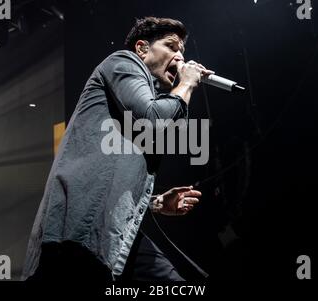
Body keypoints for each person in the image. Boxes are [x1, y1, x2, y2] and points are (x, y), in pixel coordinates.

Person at [22, 16, 214, 281]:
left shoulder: (144, 100)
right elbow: (154, 117)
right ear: (142, 48)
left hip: (115, 230)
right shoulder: (123, 62)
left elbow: (122, 170)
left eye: (182, 51)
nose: (180, 57)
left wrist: (156, 203)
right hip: (79, 228)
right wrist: (187, 83)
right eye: (171, 46)